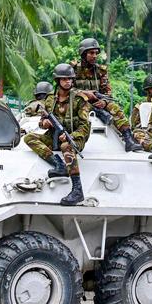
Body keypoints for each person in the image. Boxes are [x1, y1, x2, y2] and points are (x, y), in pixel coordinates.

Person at [23, 64, 92, 206]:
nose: (68, 82)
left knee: (67, 145)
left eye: (70, 79)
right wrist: (45, 123)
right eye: (64, 79)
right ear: (58, 80)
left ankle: (77, 190)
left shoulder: (79, 99)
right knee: (29, 138)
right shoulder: (50, 100)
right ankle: (58, 164)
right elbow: (42, 121)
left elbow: (85, 126)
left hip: (75, 137)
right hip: (54, 135)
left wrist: (71, 136)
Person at [71, 37, 142, 152]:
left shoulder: (101, 71)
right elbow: (65, 90)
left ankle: (128, 139)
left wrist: (104, 102)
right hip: (78, 103)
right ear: (83, 54)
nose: (95, 56)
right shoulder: (73, 70)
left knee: (114, 107)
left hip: (97, 102)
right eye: (91, 53)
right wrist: (84, 93)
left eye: (96, 53)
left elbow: (108, 92)